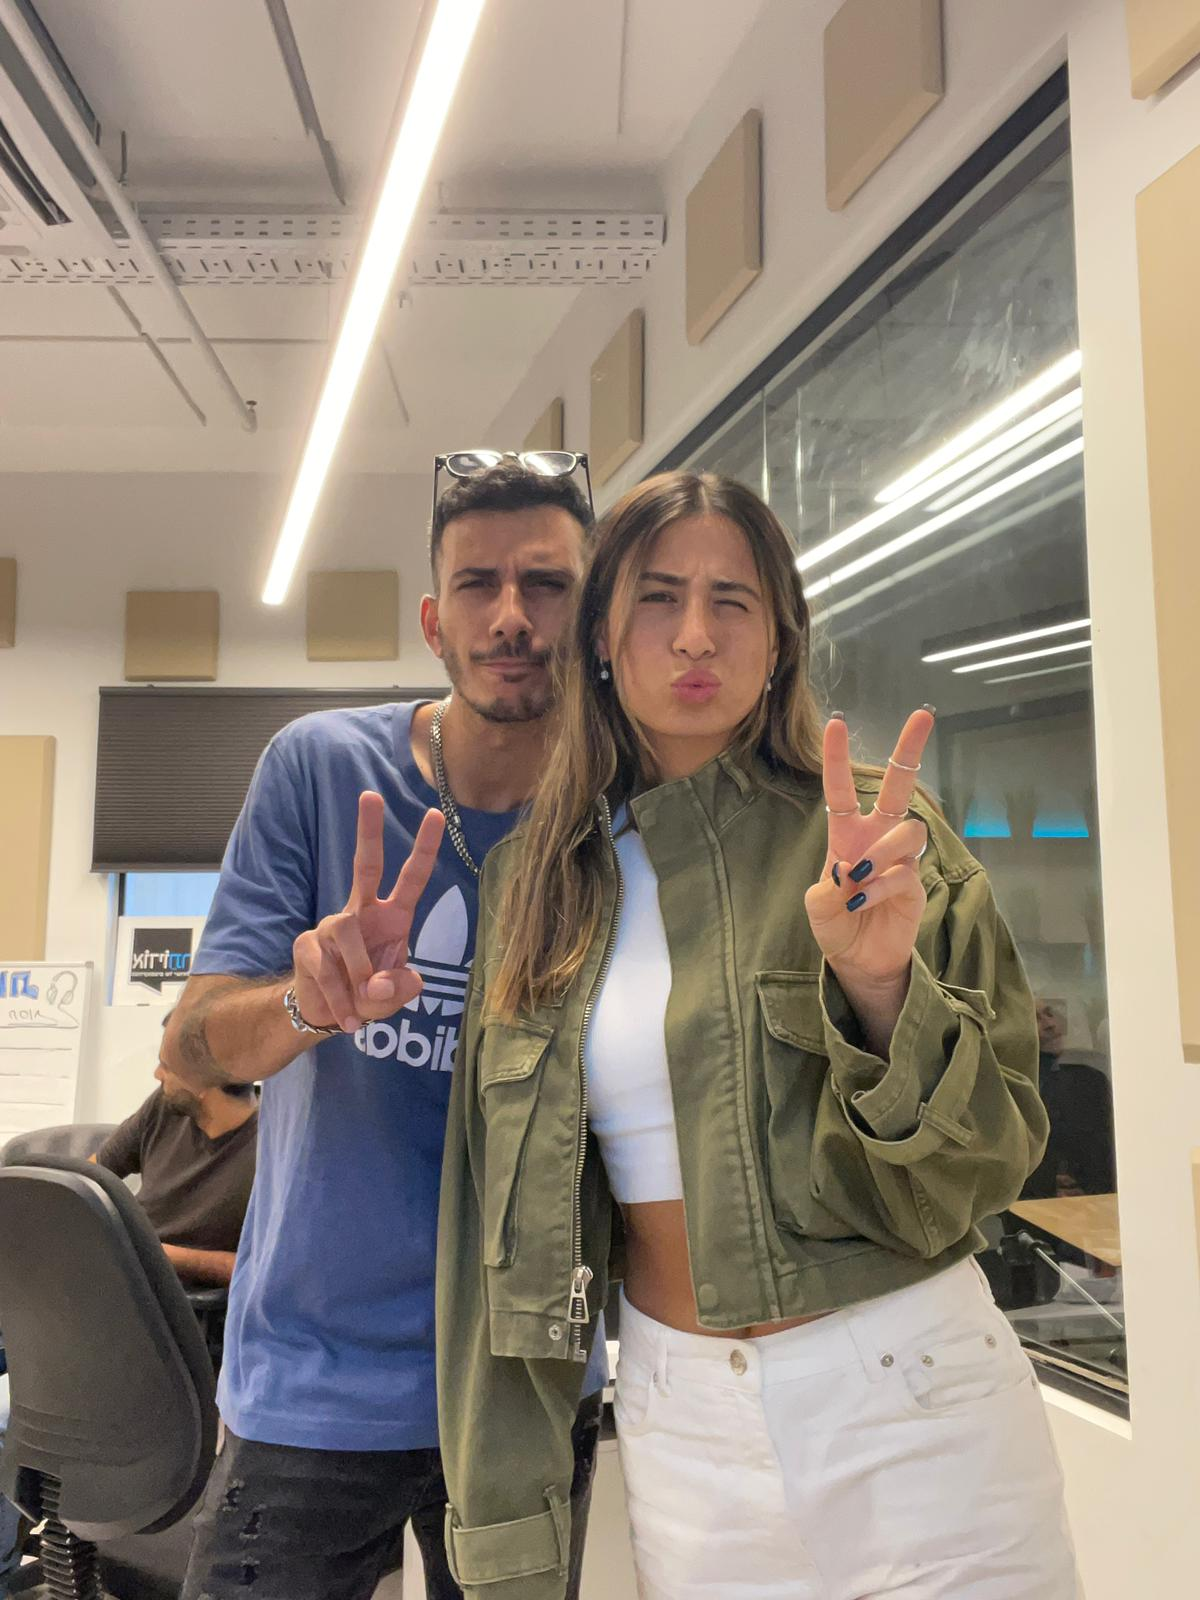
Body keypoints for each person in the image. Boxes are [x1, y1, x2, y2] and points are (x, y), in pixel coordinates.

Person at [436, 470, 1080, 1599]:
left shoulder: (881, 839)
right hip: (682, 1427)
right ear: (600, 639)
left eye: (732, 600)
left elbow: (990, 1163)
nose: (696, 633)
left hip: (913, 1393)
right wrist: (499, 1519)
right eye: (658, 597)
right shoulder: (533, 887)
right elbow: (486, 1225)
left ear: (780, 639)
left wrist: (882, 988)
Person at [166, 459, 607, 1600]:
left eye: (547, 584)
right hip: (315, 1382)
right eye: (478, 584)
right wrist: (308, 1003)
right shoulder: (321, 770)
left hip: (522, 1380)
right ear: (433, 620)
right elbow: (192, 1047)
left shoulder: (622, 814)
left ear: (593, 611)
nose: (511, 616)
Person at [93, 1029, 258, 1287]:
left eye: (167, 1066)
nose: (157, 1074)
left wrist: (161, 1254)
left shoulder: (271, 1149)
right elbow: (92, 1173)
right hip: (126, 1272)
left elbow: (265, 1272)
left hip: (185, 1299)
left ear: (201, 1081)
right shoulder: (167, 1105)